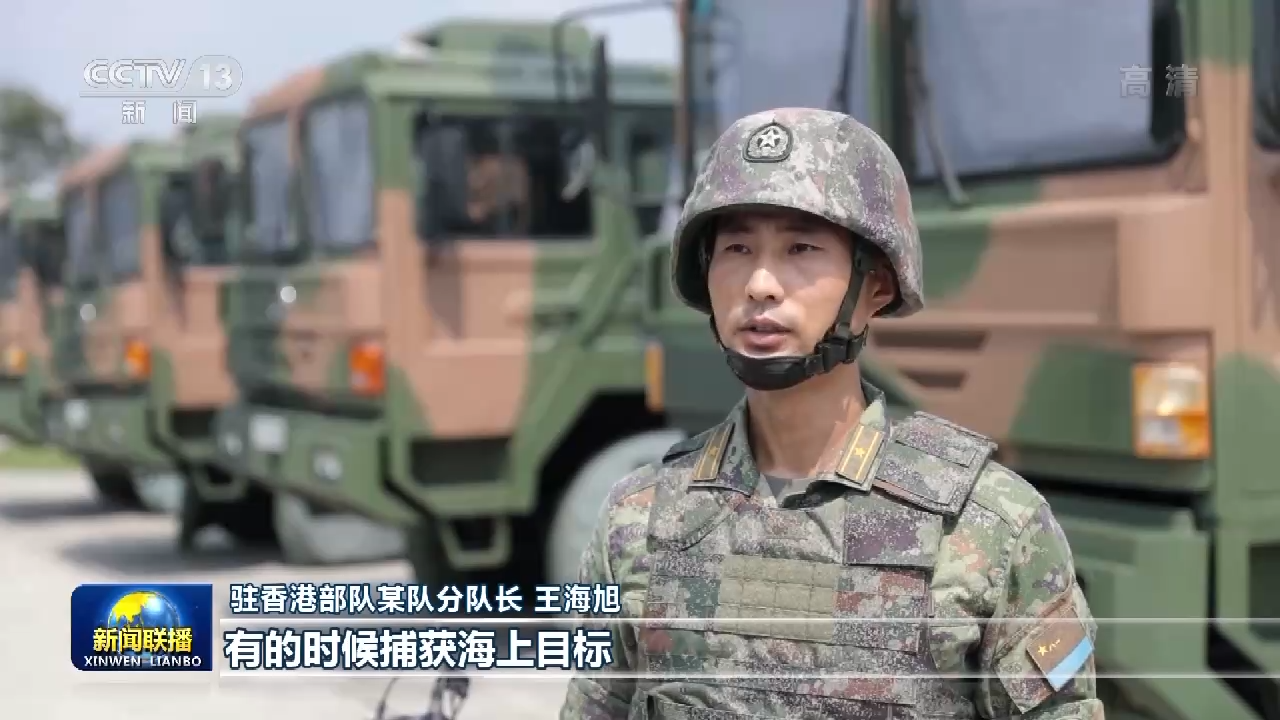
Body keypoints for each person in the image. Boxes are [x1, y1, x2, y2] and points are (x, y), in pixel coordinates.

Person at [558, 107, 1103, 719]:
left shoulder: (990, 526)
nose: (760, 283)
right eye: (737, 247)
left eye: (800, 248)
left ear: (876, 287)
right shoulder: (639, 518)